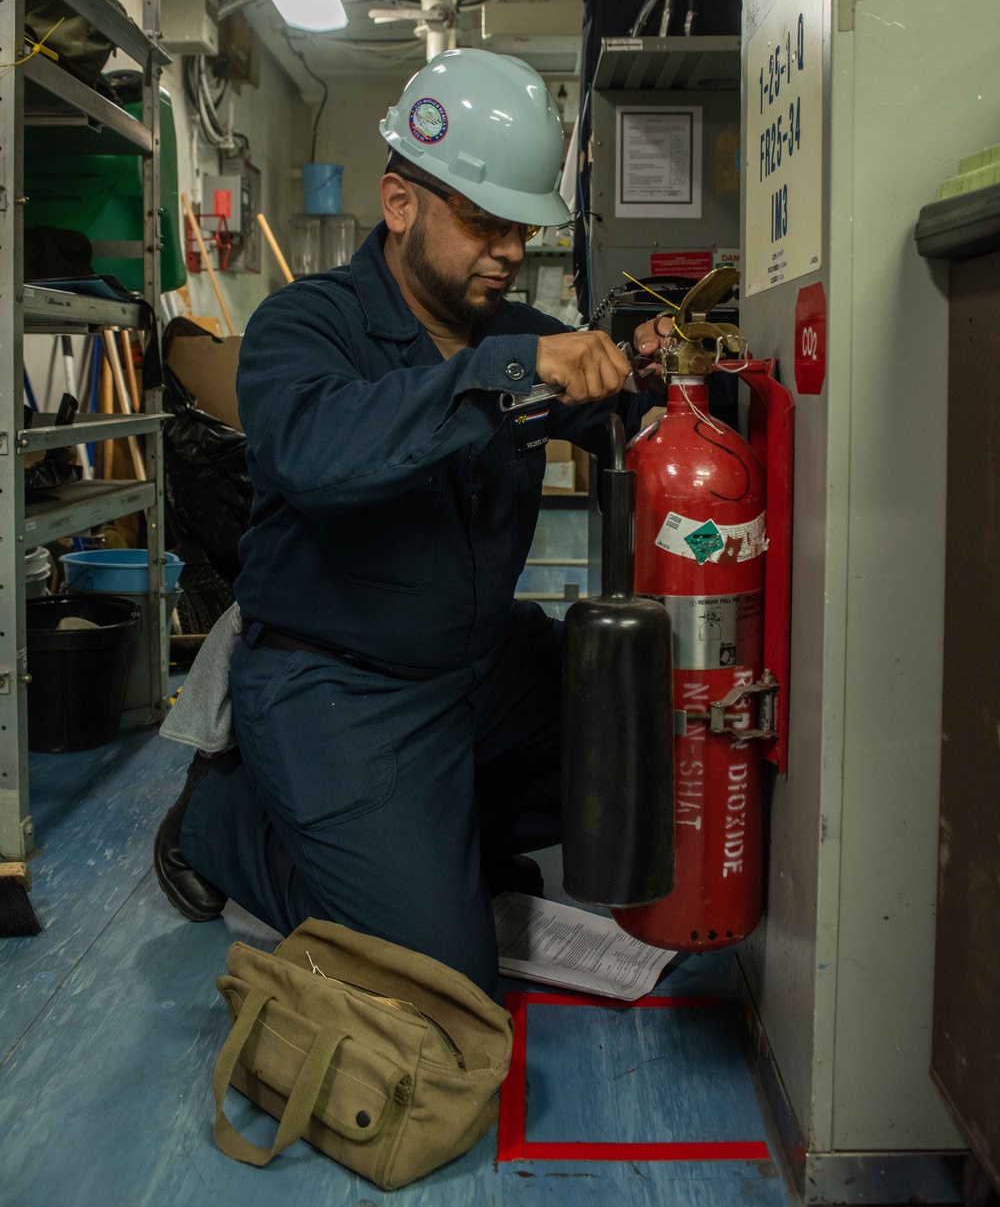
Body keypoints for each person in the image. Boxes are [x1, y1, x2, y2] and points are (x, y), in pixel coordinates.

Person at [154, 50, 667, 996]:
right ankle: (224, 822)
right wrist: (512, 375)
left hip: (474, 668)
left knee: (645, 725)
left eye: (521, 227)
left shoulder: (513, 332)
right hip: (338, 683)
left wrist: (642, 373)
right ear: (400, 204)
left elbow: (612, 407)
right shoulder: (306, 325)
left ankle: (423, 840)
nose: (510, 250)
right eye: (484, 222)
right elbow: (314, 450)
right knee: (439, 980)